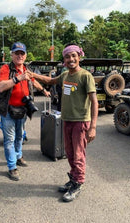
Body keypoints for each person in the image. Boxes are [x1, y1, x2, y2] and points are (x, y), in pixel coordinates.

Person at [28, 44, 98, 202]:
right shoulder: (65, 75)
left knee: (79, 154)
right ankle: (73, 178)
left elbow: (94, 102)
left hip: (81, 122)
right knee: (70, 153)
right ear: (64, 60)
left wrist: (93, 127)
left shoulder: (85, 76)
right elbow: (51, 80)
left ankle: (78, 183)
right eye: (67, 57)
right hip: (66, 120)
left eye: (74, 56)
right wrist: (33, 75)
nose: (71, 59)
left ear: (79, 57)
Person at [0, 42, 49, 181]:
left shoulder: (26, 69)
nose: (20, 56)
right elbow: (1, 87)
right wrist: (17, 78)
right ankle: (12, 166)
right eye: (17, 53)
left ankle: (18, 156)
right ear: (12, 54)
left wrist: (44, 90)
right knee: (9, 139)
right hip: (8, 111)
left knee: (20, 136)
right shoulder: (6, 68)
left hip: (23, 110)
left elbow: (33, 81)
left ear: (25, 55)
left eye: (22, 53)